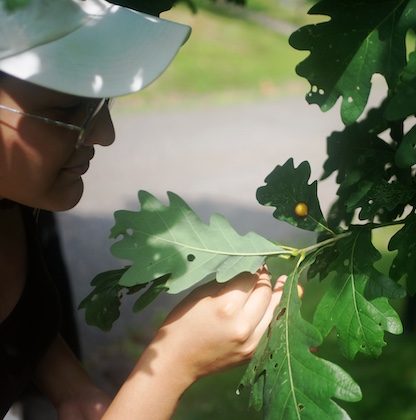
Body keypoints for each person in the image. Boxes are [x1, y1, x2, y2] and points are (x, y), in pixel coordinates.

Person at [0, 0, 287, 418]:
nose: (105, 134)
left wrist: (71, 389)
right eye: (67, 110)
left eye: (101, 103)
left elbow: (16, 321)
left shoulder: (13, 199)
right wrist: (173, 364)